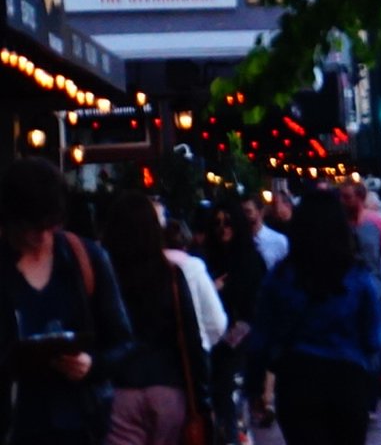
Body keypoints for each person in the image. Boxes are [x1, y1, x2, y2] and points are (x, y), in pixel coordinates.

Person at [0, 157, 133, 445]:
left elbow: (123, 341)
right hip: (15, 425)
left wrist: (92, 364)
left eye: (51, 225)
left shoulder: (84, 259)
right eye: (34, 227)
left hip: (80, 423)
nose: (44, 236)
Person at [252, 192, 381, 445]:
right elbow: (373, 338)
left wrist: (256, 383)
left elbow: (262, 337)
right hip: (347, 381)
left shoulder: (280, 278)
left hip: (297, 380)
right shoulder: (357, 277)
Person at [99, 190, 211, 445]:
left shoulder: (106, 277)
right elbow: (191, 337)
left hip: (121, 388)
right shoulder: (170, 275)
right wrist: (203, 396)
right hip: (168, 387)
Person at [202, 197, 265, 442]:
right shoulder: (206, 260)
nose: (223, 228)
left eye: (228, 222)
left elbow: (257, 308)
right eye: (217, 223)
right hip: (211, 347)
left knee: (234, 409)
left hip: (240, 345)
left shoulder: (250, 260)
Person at [158, 216, 225, 355]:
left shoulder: (147, 268)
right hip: (193, 350)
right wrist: (205, 342)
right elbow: (217, 322)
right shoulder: (194, 267)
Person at [239, 197, 287, 273]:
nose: (244, 216)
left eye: (248, 212)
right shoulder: (239, 241)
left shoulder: (278, 240)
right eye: (242, 213)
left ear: (260, 212)